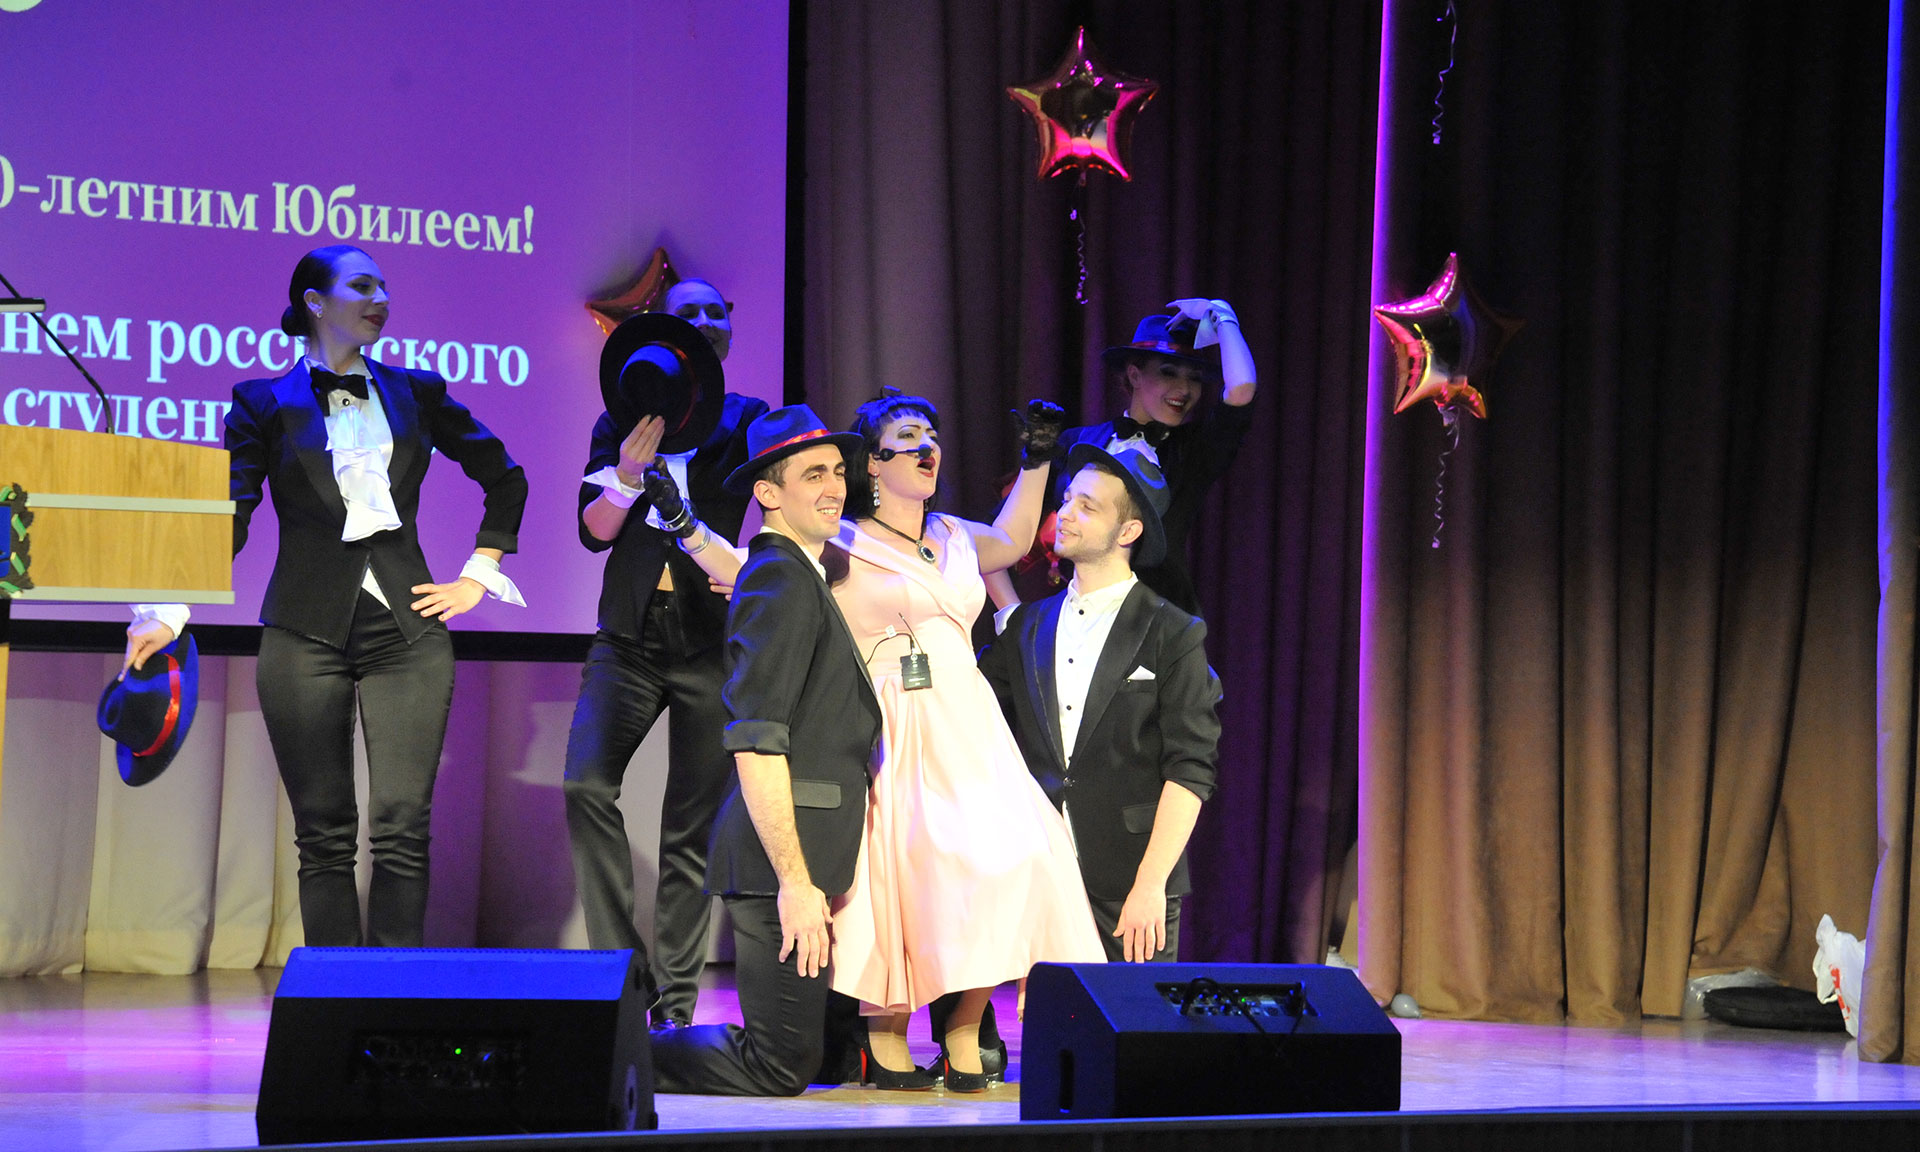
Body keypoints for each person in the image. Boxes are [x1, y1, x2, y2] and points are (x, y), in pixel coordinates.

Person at [122, 244, 528, 948]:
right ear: (314, 302)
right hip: (302, 629)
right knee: (323, 832)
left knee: (402, 826)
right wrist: (170, 607)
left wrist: (479, 574)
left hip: (408, 629)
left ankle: (395, 997)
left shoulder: (417, 391)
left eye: (385, 287)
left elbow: (506, 477)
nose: (381, 299)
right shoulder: (260, 402)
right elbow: (232, 513)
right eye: (363, 285)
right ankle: (337, 1000)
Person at [826, 391, 1104, 1092]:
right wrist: (688, 531)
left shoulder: (952, 533)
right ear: (873, 462)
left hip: (970, 717)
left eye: (932, 433)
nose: (927, 444)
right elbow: (758, 563)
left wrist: (1036, 461)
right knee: (905, 871)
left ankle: (962, 1025)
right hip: (897, 718)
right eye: (908, 434)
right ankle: (884, 1032)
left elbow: (1013, 540)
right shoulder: (842, 540)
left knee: (1021, 856)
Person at [648, 405, 879, 1097]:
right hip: (779, 864)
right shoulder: (778, 579)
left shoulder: (799, 574)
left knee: (821, 1056)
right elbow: (756, 736)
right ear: (767, 493)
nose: (834, 487)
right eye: (813, 475)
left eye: (837, 471)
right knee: (779, 1065)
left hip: (813, 854)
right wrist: (795, 883)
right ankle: (616, 1050)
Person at [564, 277, 768, 1026]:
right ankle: (623, 977)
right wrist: (624, 476)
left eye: (718, 312)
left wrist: (750, 568)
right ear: (665, 333)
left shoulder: (749, 421)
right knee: (585, 785)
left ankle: (676, 1007)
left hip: (712, 641)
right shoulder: (617, 418)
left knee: (690, 827)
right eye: (690, 312)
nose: (707, 321)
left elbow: (784, 518)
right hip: (629, 637)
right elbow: (594, 532)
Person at [979, 445, 1221, 963]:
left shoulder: (1172, 632)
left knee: (1131, 1015)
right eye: (1067, 499)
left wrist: (1151, 883)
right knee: (1050, 1015)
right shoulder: (1029, 626)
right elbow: (971, 708)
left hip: (1129, 881)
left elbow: (1190, 769)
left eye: (1087, 506)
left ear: (1128, 531)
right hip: (1041, 874)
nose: (1065, 513)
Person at [988, 297, 1257, 617]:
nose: (1184, 389)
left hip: (1160, 625)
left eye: (1194, 377)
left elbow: (1241, 388)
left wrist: (1221, 313)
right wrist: (1010, 617)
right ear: (1134, 375)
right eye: (1169, 372)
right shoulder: (1076, 442)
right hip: (1079, 624)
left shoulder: (1194, 449)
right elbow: (996, 538)